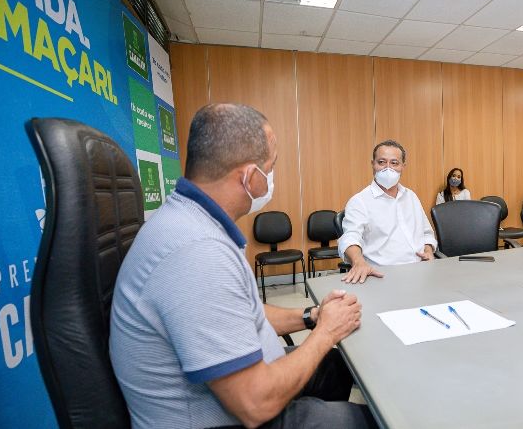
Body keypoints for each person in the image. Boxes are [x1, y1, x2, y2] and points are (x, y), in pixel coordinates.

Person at [110, 104, 375, 429]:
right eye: (270, 168)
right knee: (368, 420)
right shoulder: (197, 253)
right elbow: (255, 404)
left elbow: (242, 312)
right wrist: (326, 332)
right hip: (231, 416)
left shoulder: (194, 220)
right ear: (250, 177)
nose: (271, 180)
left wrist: (310, 317)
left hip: (242, 388)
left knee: (335, 365)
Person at [338, 139, 438, 284]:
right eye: (382, 162)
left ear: (403, 166)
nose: (388, 168)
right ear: (373, 164)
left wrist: (428, 251)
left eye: (394, 163)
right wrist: (358, 261)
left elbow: (426, 233)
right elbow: (350, 236)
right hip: (382, 274)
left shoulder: (411, 196)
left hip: (420, 271)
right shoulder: (359, 201)